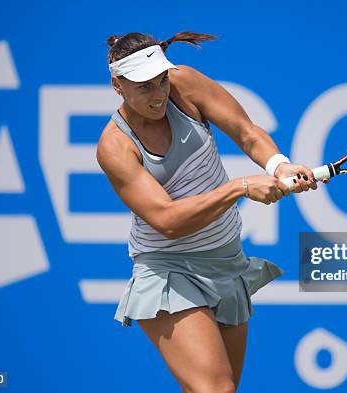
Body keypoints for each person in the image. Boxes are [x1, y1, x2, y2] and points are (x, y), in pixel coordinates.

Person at [96, 31, 318, 393]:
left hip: (227, 262)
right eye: (144, 87)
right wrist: (240, 187)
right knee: (217, 390)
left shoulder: (185, 85)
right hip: (168, 270)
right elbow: (168, 221)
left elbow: (246, 131)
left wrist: (279, 166)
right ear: (117, 85)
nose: (159, 95)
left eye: (161, 80)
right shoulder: (115, 146)